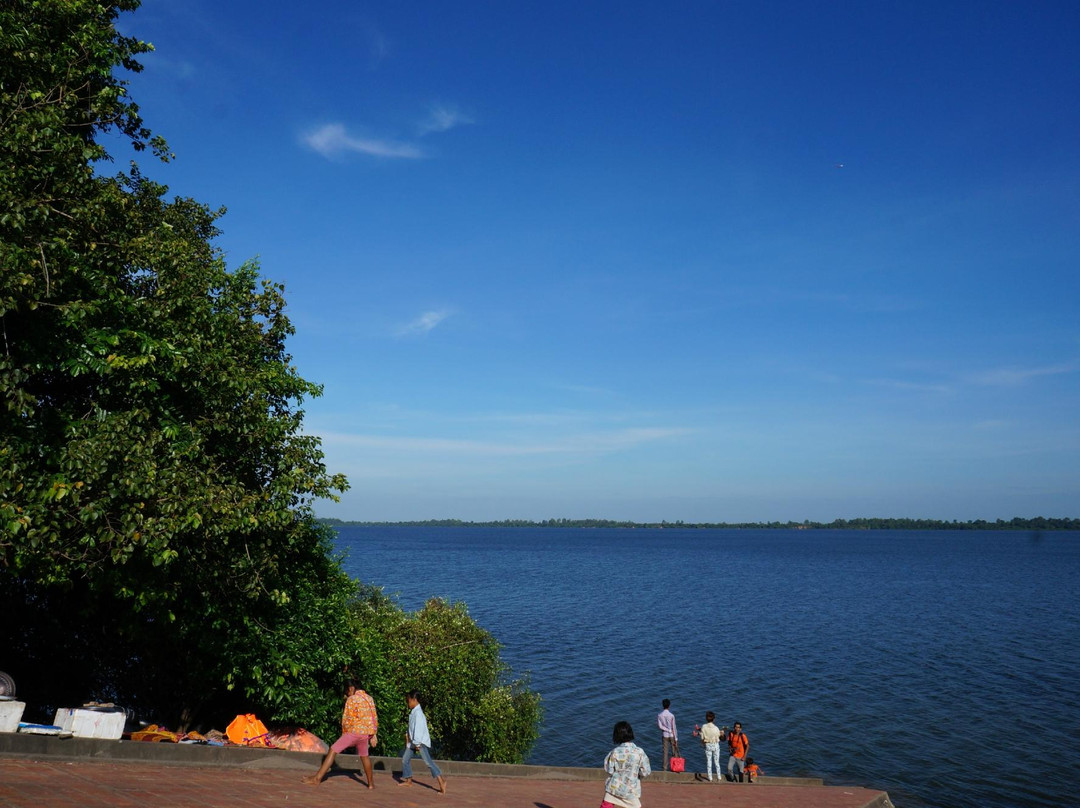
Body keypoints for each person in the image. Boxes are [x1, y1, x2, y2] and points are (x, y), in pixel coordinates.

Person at [303, 678, 378, 788]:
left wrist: (344, 734)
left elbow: (347, 719)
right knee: (364, 756)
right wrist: (373, 734)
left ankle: (317, 778)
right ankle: (371, 784)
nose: (347, 693)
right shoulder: (369, 698)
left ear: (351, 688)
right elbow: (374, 717)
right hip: (365, 733)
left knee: (333, 749)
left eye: (347, 691)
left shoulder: (352, 699)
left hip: (354, 732)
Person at [397, 691, 446, 794]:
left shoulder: (418, 714)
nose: (408, 703)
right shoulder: (414, 712)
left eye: (409, 700)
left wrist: (417, 744)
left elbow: (418, 729)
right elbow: (411, 728)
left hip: (419, 742)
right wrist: (409, 741)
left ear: (414, 700)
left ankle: (441, 781)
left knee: (428, 762)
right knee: (405, 759)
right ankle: (409, 780)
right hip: (413, 742)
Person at [602, 720, 651, 808]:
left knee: (606, 805)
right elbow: (646, 771)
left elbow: (609, 770)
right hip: (631, 790)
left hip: (614, 788)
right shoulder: (639, 752)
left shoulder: (614, 752)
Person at [698, 711, 723, 782]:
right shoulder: (716, 728)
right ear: (714, 719)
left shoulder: (704, 727)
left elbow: (702, 738)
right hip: (715, 745)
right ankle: (719, 777)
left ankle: (710, 778)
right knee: (717, 762)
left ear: (706, 718)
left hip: (708, 745)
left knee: (709, 762)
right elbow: (719, 738)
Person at [656, 699, 678, 771]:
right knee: (674, 751)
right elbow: (674, 727)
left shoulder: (659, 715)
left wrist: (666, 729)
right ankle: (675, 767)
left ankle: (664, 768)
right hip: (672, 735)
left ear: (663, 705)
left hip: (665, 735)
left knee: (665, 752)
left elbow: (660, 726)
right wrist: (676, 739)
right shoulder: (671, 715)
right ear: (669, 705)